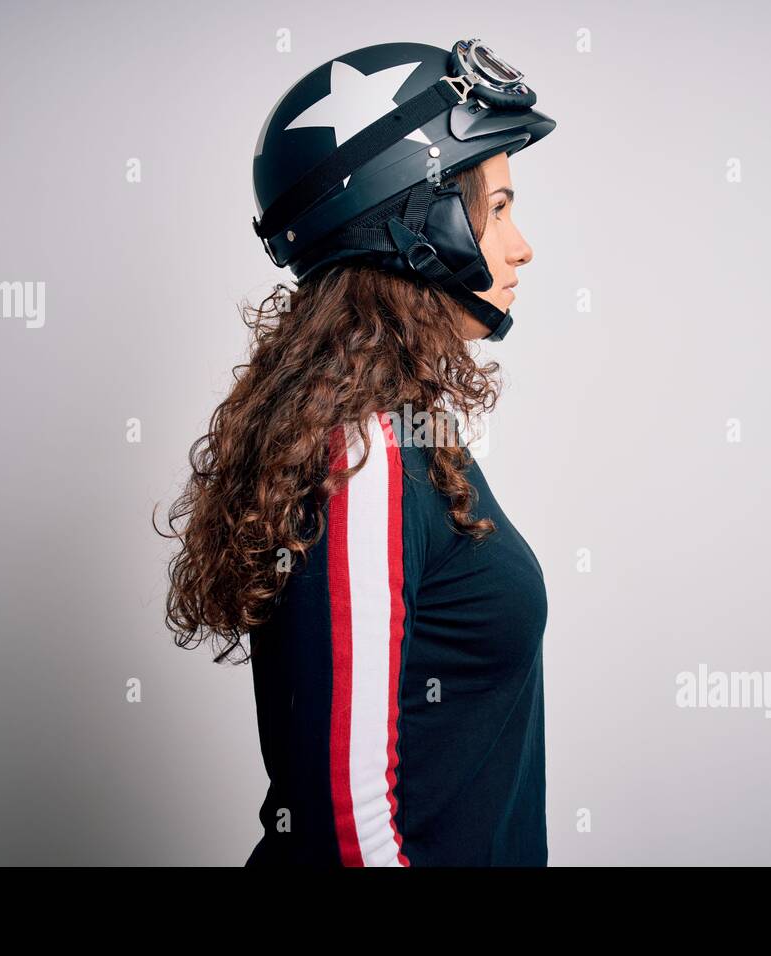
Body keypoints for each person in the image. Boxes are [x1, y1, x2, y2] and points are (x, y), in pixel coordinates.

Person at [160, 37, 557, 865]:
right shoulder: (363, 453)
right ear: (422, 224)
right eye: (497, 209)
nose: (521, 246)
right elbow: (350, 825)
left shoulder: (399, 430)